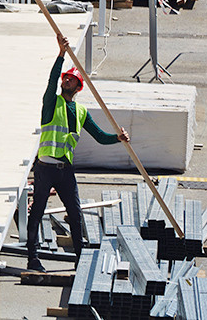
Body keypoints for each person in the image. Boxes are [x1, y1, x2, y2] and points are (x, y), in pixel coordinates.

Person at [27, 34, 130, 272]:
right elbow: (51, 82)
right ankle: (33, 259)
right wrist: (61, 55)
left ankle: (80, 259)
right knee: (38, 212)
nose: (66, 82)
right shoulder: (51, 103)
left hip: (65, 171)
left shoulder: (81, 111)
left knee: (75, 213)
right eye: (66, 79)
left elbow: (100, 137)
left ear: (78, 86)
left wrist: (118, 138)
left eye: (71, 80)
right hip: (45, 168)